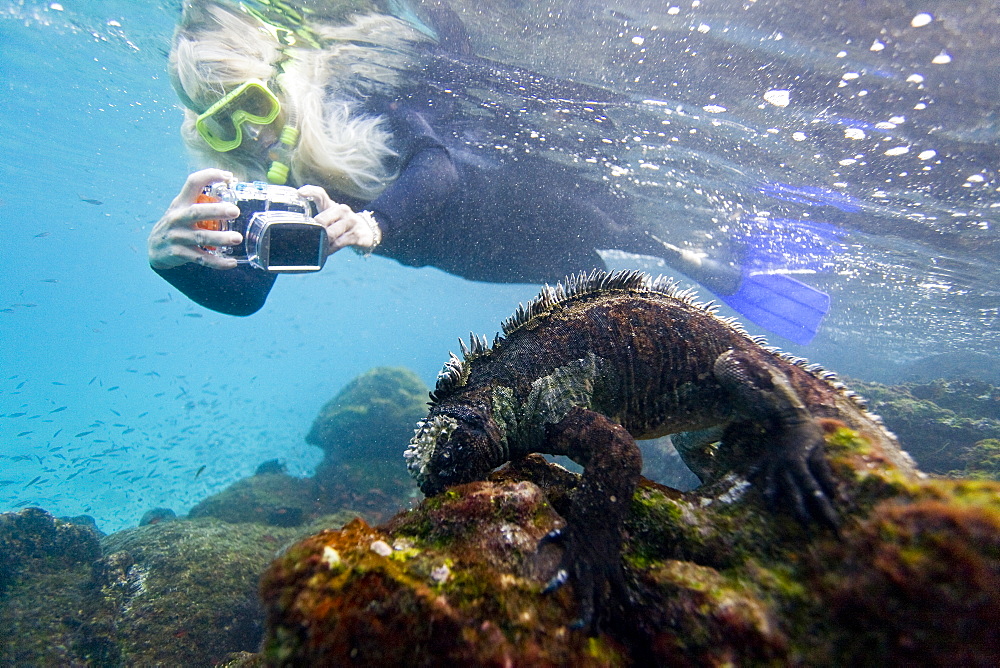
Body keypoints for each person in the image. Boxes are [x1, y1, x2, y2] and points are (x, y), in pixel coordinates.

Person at [150, 0, 829, 343]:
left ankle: (742, 262)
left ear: (284, 78)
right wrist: (174, 260)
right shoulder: (254, 182)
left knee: (636, 235)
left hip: (518, 200)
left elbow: (439, 166)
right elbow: (246, 296)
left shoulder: (356, 99)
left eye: (251, 104)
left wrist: (373, 222)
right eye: (218, 119)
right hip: (477, 257)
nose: (247, 133)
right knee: (601, 270)